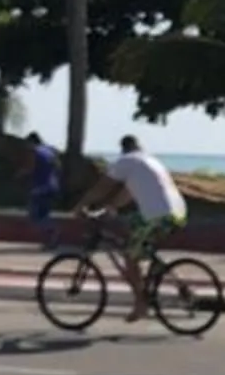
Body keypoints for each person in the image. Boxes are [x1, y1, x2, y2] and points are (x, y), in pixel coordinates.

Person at [81, 132, 189, 312]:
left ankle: (140, 303)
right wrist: (111, 207)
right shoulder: (149, 161)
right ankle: (177, 283)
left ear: (123, 149)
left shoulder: (126, 161)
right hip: (177, 213)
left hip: (158, 217)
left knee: (130, 257)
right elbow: (128, 193)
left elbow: (102, 187)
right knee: (132, 229)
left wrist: (81, 206)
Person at [23, 131, 62, 246]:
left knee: (34, 216)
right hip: (53, 186)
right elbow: (59, 167)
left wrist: (21, 174)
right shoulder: (51, 150)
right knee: (44, 214)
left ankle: (53, 229)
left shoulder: (35, 151)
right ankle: (50, 241)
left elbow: (31, 167)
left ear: (32, 142)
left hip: (40, 187)